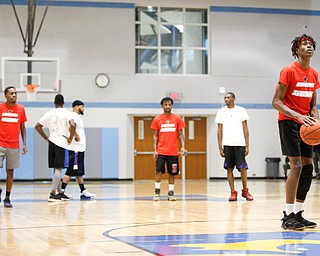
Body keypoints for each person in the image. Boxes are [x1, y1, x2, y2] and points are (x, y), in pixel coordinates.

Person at [272, 34, 319, 230]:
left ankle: (298, 213)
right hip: (289, 122)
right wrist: (297, 116)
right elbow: (276, 102)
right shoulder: (289, 71)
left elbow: (313, 105)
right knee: (297, 166)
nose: (308, 47)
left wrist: (315, 119)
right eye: (304, 44)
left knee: (308, 167)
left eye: (311, 44)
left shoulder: (315, 74)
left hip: (306, 124)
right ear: (296, 50)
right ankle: (287, 214)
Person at [35, 94, 75, 202]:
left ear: (54, 102)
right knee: (59, 169)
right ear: (63, 102)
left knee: (55, 168)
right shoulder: (67, 113)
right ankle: (52, 193)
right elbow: (73, 124)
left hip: (52, 142)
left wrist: (46, 137)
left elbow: (37, 126)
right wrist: (70, 138)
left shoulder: (49, 113)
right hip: (61, 143)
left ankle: (60, 193)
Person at [215, 92, 253, 202]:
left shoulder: (241, 110)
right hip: (227, 144)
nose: (226, 99)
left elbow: (245, 128)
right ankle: (232, 192)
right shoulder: (221, 112)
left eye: (228, 97)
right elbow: (219, 130)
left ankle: (245, 190)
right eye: (225, 98)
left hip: (240, 144)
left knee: (242, 168)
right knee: (229, 168)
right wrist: (220, 147)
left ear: (234, 98)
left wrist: (247, 144)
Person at [151, 97, 186, 201]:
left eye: (169, 104)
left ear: (172, 106)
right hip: (161, 151)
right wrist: (155, 150)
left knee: (172, 173)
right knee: (158, 171)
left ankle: (171, 193)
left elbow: (181, 134)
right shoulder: (157, 119)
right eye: (166, 104)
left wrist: (183, 147)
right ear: (162, 106)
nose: (168, 106)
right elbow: (155, 136)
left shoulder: (177, 118)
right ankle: (157, 193)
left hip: (173, 152)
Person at [60, 100, 96, 200]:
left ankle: (83, 191)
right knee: (70, 170)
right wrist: (75, 135)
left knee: (78, 171)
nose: (83, 109)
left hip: (79, 149)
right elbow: (71, 126)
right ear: (76, 107)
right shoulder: (74, 116)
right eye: (82, 107)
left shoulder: (77, 117)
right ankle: (61, 191)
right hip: (75, 149)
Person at [0, 86, 27, 208]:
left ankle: (7, 197)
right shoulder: (0, 108)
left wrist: (24, 144)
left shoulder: (21, 109)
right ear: (6, 95)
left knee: (10, 172)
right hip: (0, 144)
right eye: (11, 93)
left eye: (15, 93)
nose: (14, 95)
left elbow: (22, 128)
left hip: (14, 145)